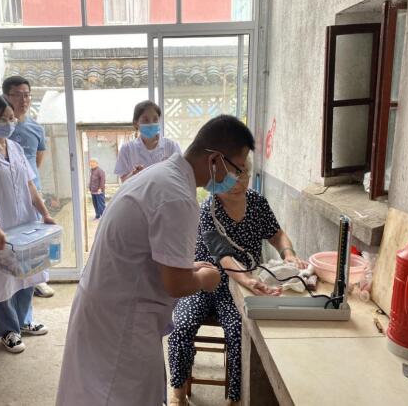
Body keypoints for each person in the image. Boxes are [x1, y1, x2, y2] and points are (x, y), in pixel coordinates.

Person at [56, 115, 259, 406]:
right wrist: (206, 277)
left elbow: (152, 255)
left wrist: (190, 267)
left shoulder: (163, 175)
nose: (237, 178)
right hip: (122, 318)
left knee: (96, 391)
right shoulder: (177, 197)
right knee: (116, 395)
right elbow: (177, 284)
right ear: (215, 160)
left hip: (109, 302)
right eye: (237, 169)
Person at [167, 156, 306, 406]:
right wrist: (248, 279)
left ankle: (236, 397)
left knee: (239, 331)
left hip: (237, 289)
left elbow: (277, 234)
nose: (238, 181)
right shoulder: (208, 209)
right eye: (229, 176)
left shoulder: (257, 203)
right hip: (202, 282)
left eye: (242, 173)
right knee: (182, 325)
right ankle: (178, 395)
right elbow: (224, 256)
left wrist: (288, 253)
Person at [0, 94, 56, 354]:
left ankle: (24, 321)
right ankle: (8, 330)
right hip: (0, 225)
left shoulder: (14, 147)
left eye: (11, 118)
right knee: (1, 279)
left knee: (26, 273)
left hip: (25, 221)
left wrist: (44, 213)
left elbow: (30, 184)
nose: (9, 123)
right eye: (2, 119)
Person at [0, 76, 53, 297]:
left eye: (27, 95)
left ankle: (30, 299)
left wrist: (44, 213)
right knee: (2, 276)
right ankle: (9, 318)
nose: (23, 99)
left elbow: (33, 167)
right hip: (1, 210)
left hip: (27, 202)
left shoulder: (30, 134)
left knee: (28, 263)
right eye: (17, 95)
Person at [114, 100, 182, 182]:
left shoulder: (171, 146)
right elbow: (124, 180)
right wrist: (134, 174)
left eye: (155, 119)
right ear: (136, 123)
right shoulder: (127, 149)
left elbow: (181, 175)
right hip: (138, 190)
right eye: (146, 120)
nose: (151, 124)